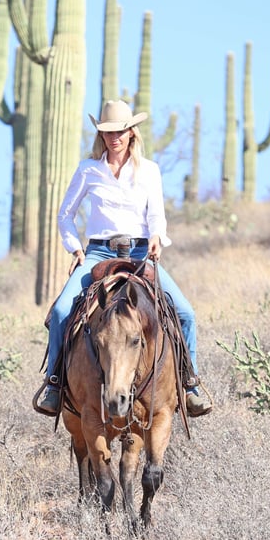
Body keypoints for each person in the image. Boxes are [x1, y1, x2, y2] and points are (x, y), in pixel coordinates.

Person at [36, 100, 212, 417]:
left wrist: (157, 237)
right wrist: (75, 248)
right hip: (99, 252)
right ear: (101, 135)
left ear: (132, 132)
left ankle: (190, 385)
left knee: (185, 312)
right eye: (107, 132)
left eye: (119, 131)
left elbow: (156, 213)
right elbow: (65, 215)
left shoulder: (149, 171)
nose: (113, 137)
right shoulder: (88, 170)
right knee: (63, 310)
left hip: (142, 253)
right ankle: (54, 384)